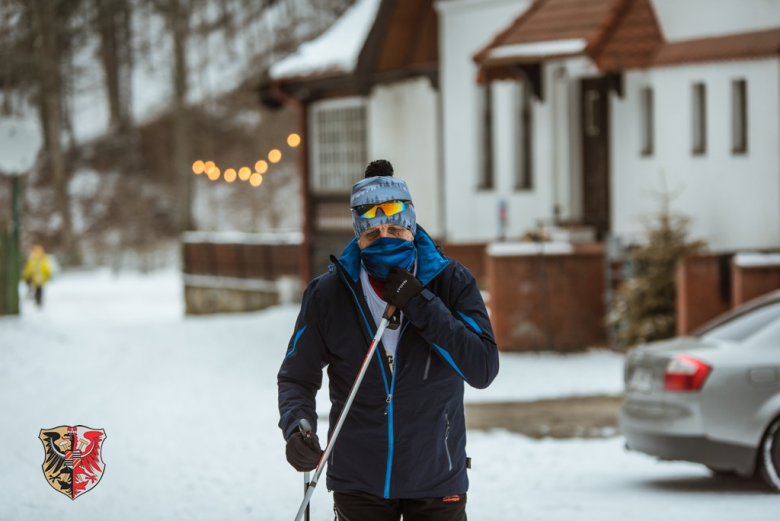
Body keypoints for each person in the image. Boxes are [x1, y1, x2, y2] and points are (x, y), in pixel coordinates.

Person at [278, 160, 499, 520]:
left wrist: (421, 304)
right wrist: (296, 426)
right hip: (358, 480)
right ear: (357, 235)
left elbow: (483, 368)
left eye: (394, 229)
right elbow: (296, 377)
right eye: (372, 234)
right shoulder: (328, 294)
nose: (384, 240)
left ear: (411, 225)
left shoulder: (451, 282)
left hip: (437, 479)